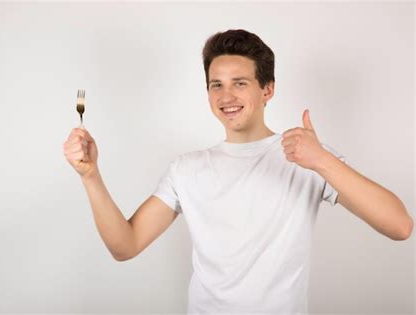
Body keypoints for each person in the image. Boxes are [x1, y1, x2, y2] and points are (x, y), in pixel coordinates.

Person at [63, 29, 413, 314]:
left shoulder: (307, 157)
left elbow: (400, 226)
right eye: (216, 84)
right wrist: (90, 176)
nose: (226, 95)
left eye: (240, 82)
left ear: (267, 90)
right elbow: (125, 246)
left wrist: (322, 160)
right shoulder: (187, 169)